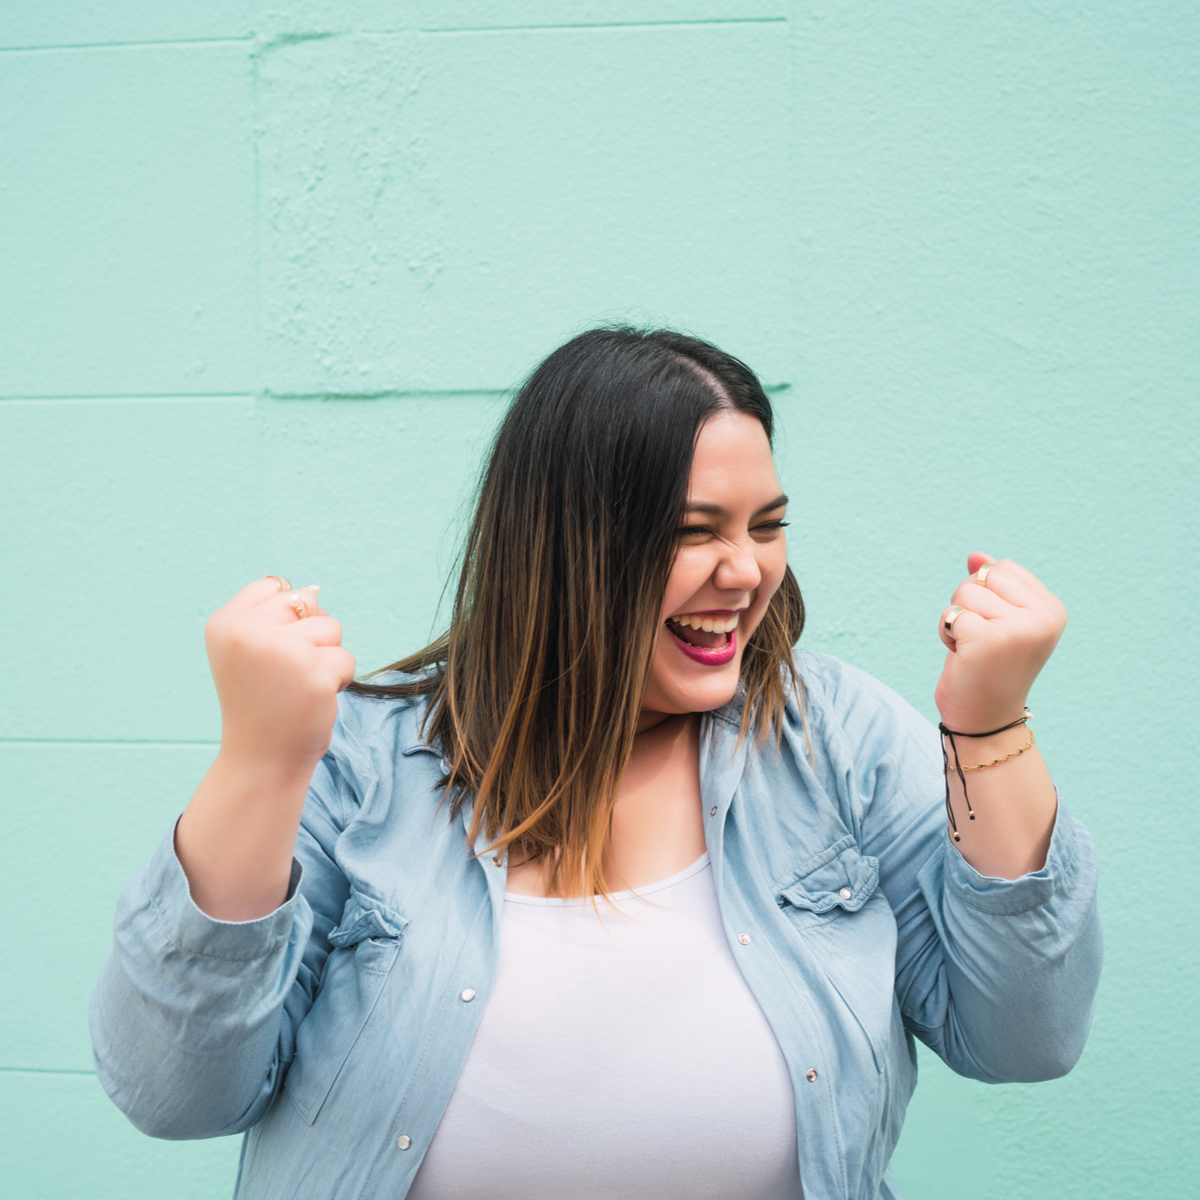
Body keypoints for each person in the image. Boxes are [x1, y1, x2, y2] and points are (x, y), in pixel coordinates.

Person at [90, 327, 1102, 1200]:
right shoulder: (361, 761)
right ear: (568, 544)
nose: (745, 572)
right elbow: (175, 1094)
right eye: (691, 532)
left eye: (767, 525)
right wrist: (259, 764)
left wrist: (990, 724)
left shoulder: (834, 739)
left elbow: (1022, 1037)